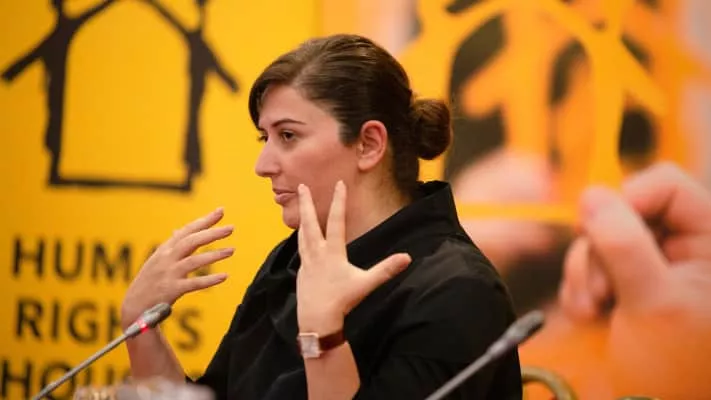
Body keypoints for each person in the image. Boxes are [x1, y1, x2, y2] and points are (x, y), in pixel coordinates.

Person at [120, 34, 522, 399]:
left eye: (288, 136)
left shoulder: (457, 291)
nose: (262, 165)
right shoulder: (291, 260)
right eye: (265, 137)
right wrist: (140, 326)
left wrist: (323, 338)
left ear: (368, 144)